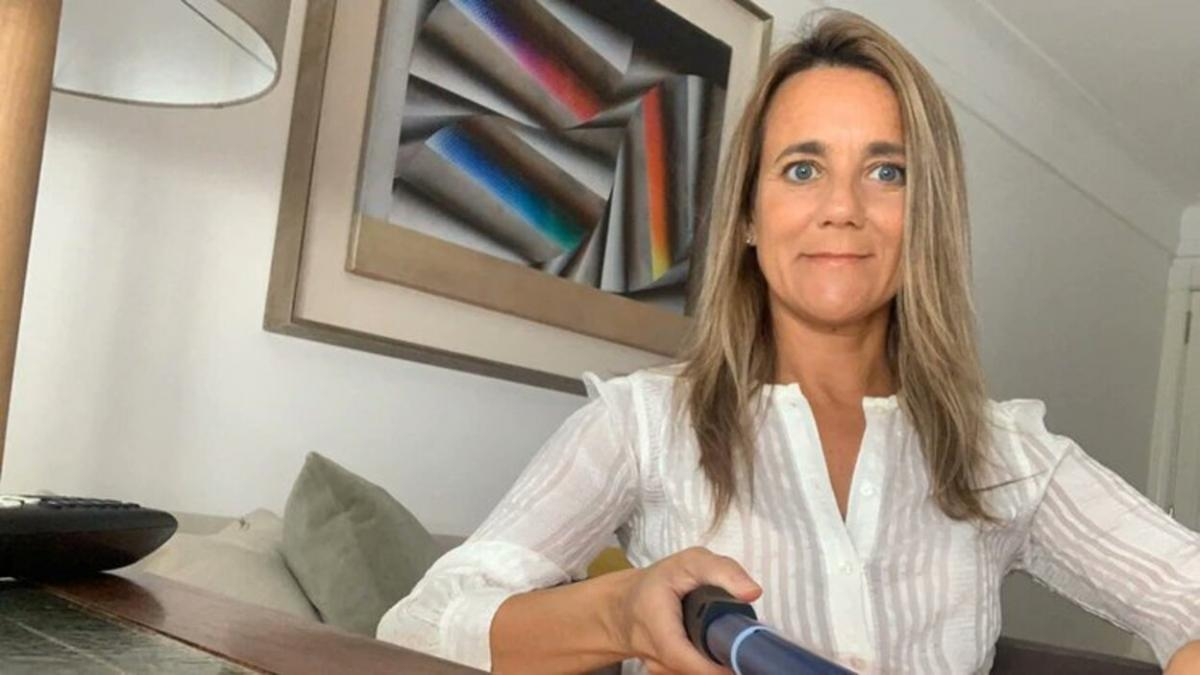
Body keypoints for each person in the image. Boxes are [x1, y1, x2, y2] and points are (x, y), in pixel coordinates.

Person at [377, 9, 1200, 675]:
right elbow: (422, 624)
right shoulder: (643, 423)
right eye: (803, 169)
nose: (842, 207)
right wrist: (622, 613)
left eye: (887, 171)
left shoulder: (1005, 452)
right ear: (746, 215)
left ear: (927, 218)